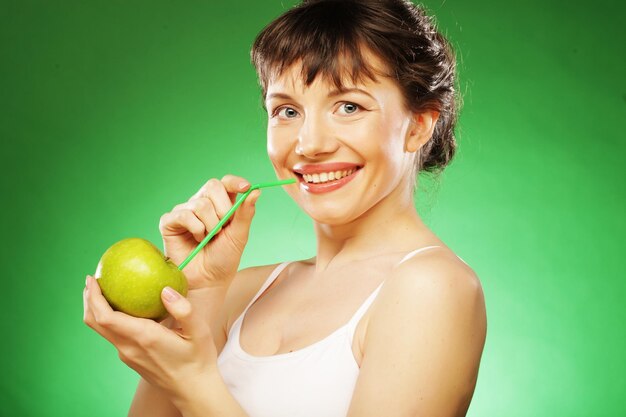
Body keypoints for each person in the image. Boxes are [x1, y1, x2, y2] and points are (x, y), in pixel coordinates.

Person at [83, 0, 487, 415]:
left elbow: (195, 390)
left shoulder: (432, 286)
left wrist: (194, 381)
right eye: (287, 111)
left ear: (419, 125)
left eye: (349, 106)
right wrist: (199, 296)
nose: (309, 144)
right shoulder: (241, 292)